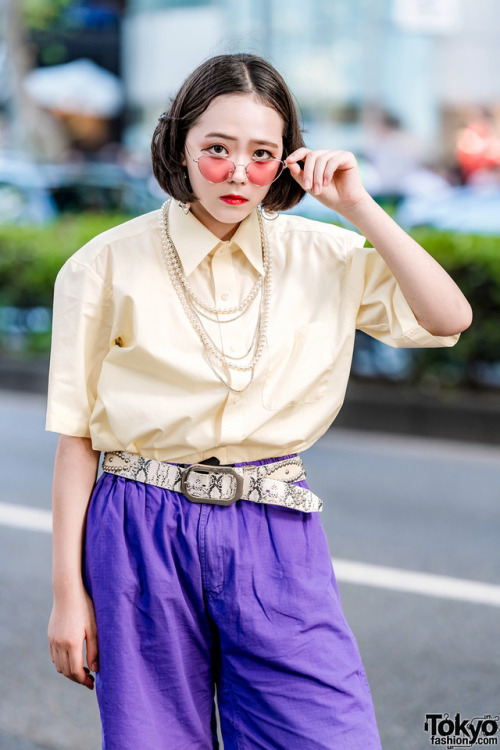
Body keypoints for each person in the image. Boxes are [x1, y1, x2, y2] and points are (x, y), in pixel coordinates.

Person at [45, 53, 472, 750]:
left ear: (286, 159)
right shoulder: (104, 265)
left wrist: (359, 206)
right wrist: (69, 596)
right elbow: (76, 440)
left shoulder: (322, 254)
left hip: (274, 522)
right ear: (180, 143)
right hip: (138, 524)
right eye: (217, 148)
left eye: (261, 153)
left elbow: (448, 317)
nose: (238, 172)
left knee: (325, 734)